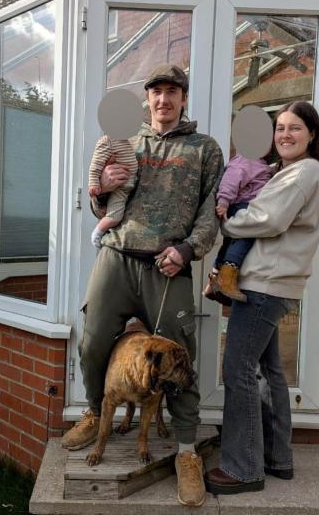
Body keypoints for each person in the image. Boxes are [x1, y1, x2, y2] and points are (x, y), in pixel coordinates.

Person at [61, 64, 224, 507]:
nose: (163, 100)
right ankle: (96, 413)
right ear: (147, 99)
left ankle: (187, 454)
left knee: (178, 358)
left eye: (172, 92)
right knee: (93, 341)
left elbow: (211, 212)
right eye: (156, 92)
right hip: (116, 256)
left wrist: (188, 251)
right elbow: (102, 203)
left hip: (167, 266)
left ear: (183, 99)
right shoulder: (125, 140)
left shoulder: (205, 149)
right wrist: (100, 189)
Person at [204, 101, 319, 495]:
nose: (285, 135)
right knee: (267, 371)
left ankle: (243, 468)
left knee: (237, 369)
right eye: (280, 128)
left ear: (312, 134)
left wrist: (226, 221)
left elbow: (267, 219)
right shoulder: (292, 172)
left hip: (264, 285)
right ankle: (277, 458)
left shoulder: (304, 172)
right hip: (273, 282)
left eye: (295, 128)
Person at [203, 153, 271, 303]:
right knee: (244, 239)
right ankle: (226, 279)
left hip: (241, 206)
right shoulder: (248, 159)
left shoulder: (258, 162)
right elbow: (231, 179)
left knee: (229, 244)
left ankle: (214, 279)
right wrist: (224, 201)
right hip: (243, 207)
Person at [88, 134, 138, 248]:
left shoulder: (126, 139)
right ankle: (97, 233)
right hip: (121, 186)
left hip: (163, 252)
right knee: (114, 216)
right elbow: (96, 165)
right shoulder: (108, 141)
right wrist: (98, 187)